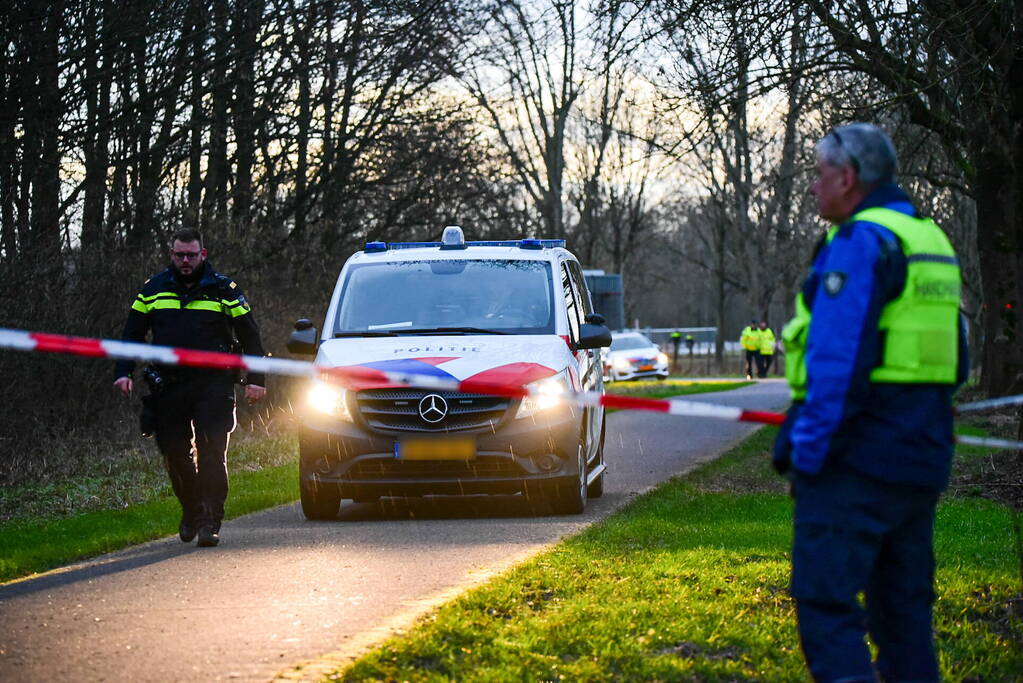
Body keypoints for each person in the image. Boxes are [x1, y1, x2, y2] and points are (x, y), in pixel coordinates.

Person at [773, 123, 967, 682]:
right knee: (905, 620)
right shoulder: (929, 240)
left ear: (847, 177)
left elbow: (837, 367)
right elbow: (957, 362)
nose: (812, 187)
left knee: (827, 607)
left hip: (855, 461)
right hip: (922, 456)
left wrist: (804, 453)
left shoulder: (862, 242)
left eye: (817, 174)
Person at [114, 229, 267, 548]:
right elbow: (133, 332)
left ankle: (210, 520)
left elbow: (250, 335)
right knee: (174, 453)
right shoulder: (153, 289)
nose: (185, 261)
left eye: (191, 255)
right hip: (169, 386)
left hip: (214, 383)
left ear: (203, 255)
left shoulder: (225, 289)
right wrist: (123, 371)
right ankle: (192, 510)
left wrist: (256, 379)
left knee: (213, 452)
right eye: (179, 255)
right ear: (171, 255)